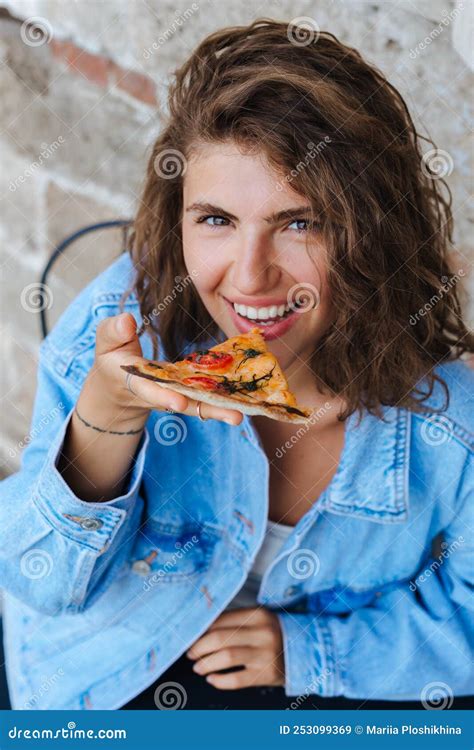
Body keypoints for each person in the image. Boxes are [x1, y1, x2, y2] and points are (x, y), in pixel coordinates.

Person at [1, 19, 473, 711]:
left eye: (299, 222)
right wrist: (103, 425)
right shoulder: (127, 324)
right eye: (216, 219)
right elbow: (39, 582)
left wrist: (310, 650)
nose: (249, 278)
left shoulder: (451, 425)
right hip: (103, 683)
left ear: (371, 231)